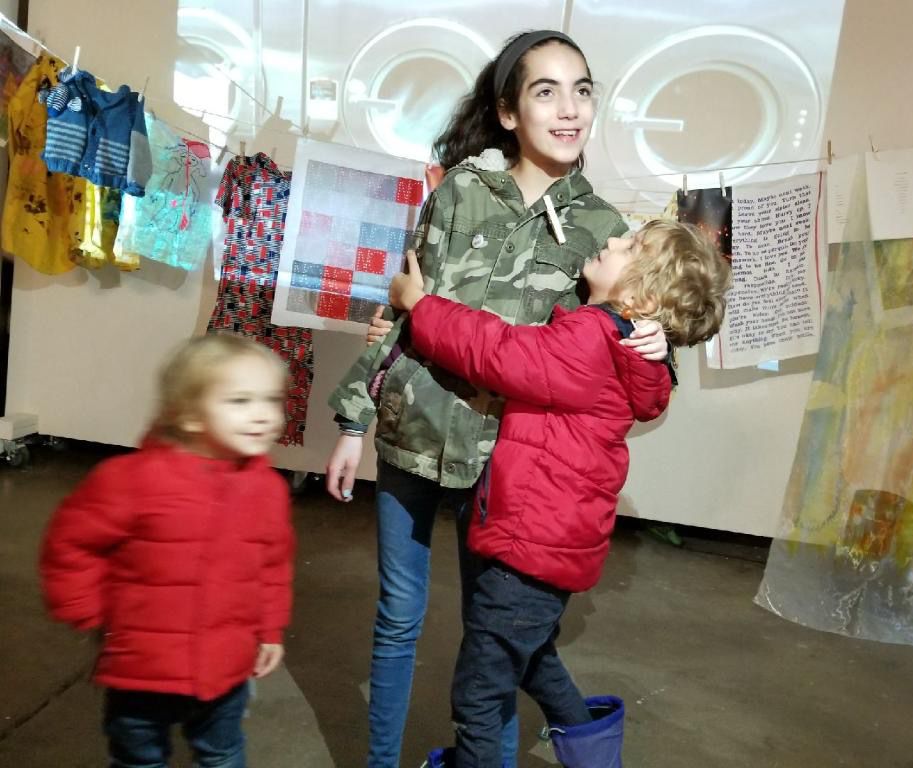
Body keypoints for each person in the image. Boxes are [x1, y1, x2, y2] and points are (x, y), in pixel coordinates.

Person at [325, 29, 668, 768]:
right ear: (509, 112)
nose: (570, 108)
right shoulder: (458, 192)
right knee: (397, 620)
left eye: (582, 90)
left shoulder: (604, 231)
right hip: (411, 430)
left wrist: (658, 349)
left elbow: (635, 374)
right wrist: (353, 419)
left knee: (494, 638)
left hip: (505, 462)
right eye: (547, 91)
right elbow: (411, 311)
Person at [389, 219, 732, 768]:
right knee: (529, 657)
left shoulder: (590, 340)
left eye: (631, 246)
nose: (614, 239)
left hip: (530, 542)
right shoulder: (632, 350)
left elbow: (497, 352)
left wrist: (421, 305)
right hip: (557, 543)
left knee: (478, 693)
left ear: (643, 294)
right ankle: (594, 757)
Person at [39, 334, 295, 768]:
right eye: (240, 401)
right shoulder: (132, 479)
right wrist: (89, 610)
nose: (263, 416)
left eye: (272, 400)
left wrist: (270, 630)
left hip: (225, 671)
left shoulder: (267, 489)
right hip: (141, 672)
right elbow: (71, 543)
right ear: (189, 414)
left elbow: (273, 565)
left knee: (223, 754)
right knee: (139, 759)